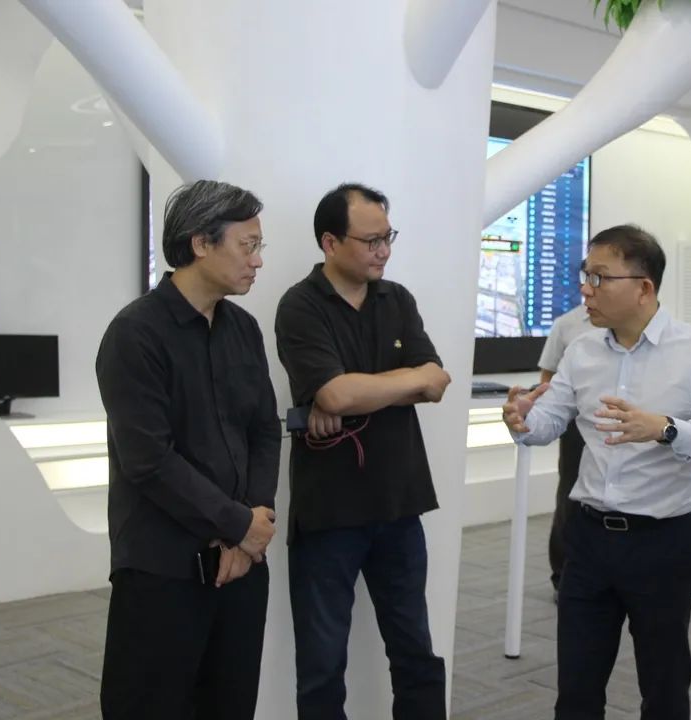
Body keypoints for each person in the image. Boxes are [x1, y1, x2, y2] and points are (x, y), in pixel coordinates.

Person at [503, 224, 691, 720]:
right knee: (577, 688)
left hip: (664, 542)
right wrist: (522, 420)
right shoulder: (581, 350)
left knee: (664, 684)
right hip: (588, 540)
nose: (586, 289)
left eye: (599, 277)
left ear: (644, 287)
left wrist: (665, 429)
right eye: (584, 275)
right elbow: (548, 423)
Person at [95, 180, 281, 720]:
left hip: (242, 566)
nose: (258, 260)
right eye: (248, 246)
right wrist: (237, 525)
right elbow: (149, 461)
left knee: (230, 704)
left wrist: (253, 523)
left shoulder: (243, 329)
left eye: (259, 246)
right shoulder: (135, 334)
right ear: (201, 243)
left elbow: (264, 431)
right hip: (163, 570)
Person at [275, 182, 452, 720]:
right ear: (330, 242)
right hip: (329, 512)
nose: (384, 251)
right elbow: (334, 396)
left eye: (388, 237)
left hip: (399, 503)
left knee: (416, 651)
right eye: (371, 241)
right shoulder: (300, 305)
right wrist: (400, 382)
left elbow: (437, 380)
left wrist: (358, 391)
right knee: (322, 665)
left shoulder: (397, 300)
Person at [537, 293, 593, 597]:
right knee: (570, 494)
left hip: (617, 421)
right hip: (574, 422)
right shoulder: (566, 324)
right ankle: (561, 573)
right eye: (591, 277)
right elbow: (548, 375)